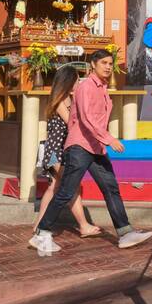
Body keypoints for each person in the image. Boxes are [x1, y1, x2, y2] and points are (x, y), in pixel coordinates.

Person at [28, 49, 152, 255]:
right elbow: (86, 119)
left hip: (95, 147)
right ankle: (41, 233)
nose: (108, 66)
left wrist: (103, 141)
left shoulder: (102, 88)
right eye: (103, 62)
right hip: (79, 147)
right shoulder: (86, 87)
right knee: (66, 190)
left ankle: (125, 232)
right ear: (92, 65)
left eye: (110, 63)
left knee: (110, 187)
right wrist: (110, 139)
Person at [33, 65, 102, 238]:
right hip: (55, 152)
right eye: (77, 80)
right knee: (71, 186)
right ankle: (83, 225)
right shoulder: (61, 100)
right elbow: (71, 123)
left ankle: (39, 225)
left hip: (59, 151)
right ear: (68, 81)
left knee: (54, 187)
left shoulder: (68, 99)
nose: (79, 83)